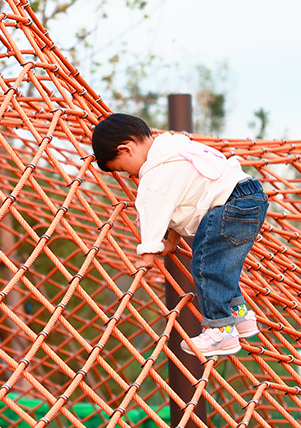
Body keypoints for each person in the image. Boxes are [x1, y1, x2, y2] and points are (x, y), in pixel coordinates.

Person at [91, 113, 268, 357]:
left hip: (228, 206)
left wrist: (148, 254)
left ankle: (220, 331)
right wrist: (171, 242)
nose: (130, 177)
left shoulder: (155, 174)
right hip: (251, 198)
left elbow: (155, 211)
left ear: (126, 149)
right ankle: (241, 317)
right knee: (222, 265)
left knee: (206, 266)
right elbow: (179, 207)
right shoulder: (174, 148)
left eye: (122, 168)